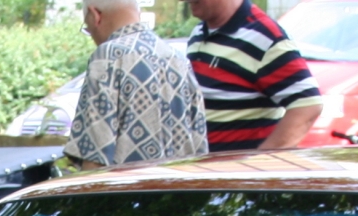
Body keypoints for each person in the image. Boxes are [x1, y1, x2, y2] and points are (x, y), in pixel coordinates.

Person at [64, 0, 206, 170]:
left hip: (127, 191)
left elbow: (95, 155)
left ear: (96, 16)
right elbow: (200, 146)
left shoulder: (108, 56)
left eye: (87, 28)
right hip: (177, 189)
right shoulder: (178, 59)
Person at [186, 0, 322, 152]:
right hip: (202, 171)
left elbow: (307, 105)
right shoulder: (199, 32)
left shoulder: (265, 37)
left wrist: (260, 162)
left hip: (234, 172)